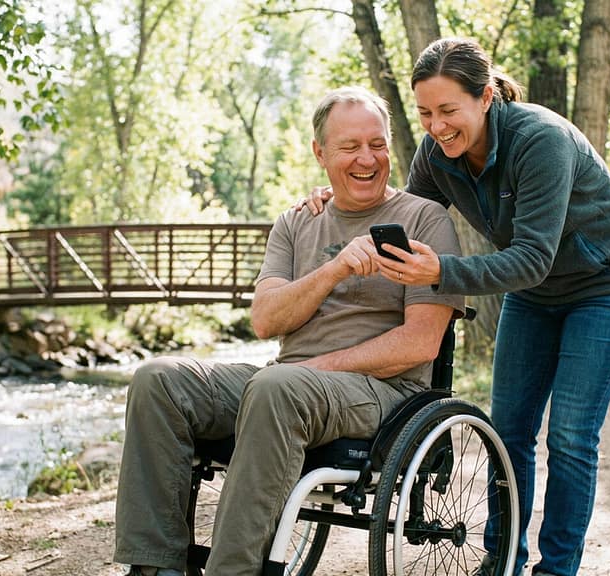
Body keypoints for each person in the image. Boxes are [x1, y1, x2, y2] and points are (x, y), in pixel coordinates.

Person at [302, 38, 610, 576]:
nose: (437, 125)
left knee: (569, 434)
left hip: (608, 284)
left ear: (485, 97)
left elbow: (532, 257)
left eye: (449, 110)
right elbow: (402, 213)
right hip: (537, 295)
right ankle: (503, 559)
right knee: (508, 430)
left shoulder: (541, 141)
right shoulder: (436, 154)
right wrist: (341, 195)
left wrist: (442, 271)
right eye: (425, 113)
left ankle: (556, 568)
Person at [113, 86, 465, 576]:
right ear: (320, 153)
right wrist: (334, 270)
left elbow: (419, 343)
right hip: (286, 385)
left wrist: (312, 369)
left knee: (278, 384)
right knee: (159, 379)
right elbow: (266, 320)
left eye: (377, 144)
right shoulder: (297, 222)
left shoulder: (424, 220)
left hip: (383, 394)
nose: (367, 159)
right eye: (350, 147)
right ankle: (157, 567)